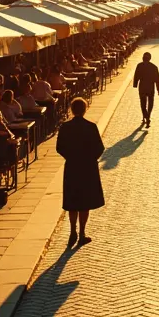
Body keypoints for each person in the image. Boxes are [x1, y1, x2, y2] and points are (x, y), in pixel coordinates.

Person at [57, 97, 106, 249]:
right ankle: (82, 233)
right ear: (85, 109)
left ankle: (72, 231)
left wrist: (70, 157)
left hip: (72, 166)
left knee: (73, 201)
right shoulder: (91, 127)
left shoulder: (65, 127)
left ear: (72, 110)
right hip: (87, 167)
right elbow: (100, 147)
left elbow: (59, 147)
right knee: (85, 202)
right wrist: (90, 158)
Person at [133, 51, 159, 128]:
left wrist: (135, 84)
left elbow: (136, 76)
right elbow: (157, 79)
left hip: (142, 86)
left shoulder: (139, 66)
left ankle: (145, 115)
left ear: (143, 58)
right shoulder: (154, 67)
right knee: (150, 102)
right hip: (150, 87)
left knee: (143, 103)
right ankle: (148, 114)